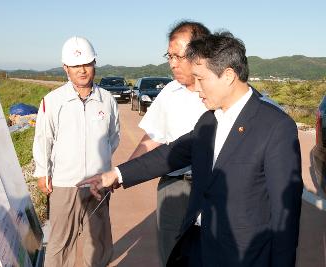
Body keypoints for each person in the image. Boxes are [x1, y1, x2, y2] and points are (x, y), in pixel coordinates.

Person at [78, 32, 303, 267]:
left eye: (201, 79)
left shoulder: (275, 127)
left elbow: (284, 216)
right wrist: (116, 174)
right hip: (197, 247)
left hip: (241, 255)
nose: (196, 89)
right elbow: (170, 153)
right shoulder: (209, 121)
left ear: (228, 75)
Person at [33, 36, 120, 267]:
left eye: (87, 64)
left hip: (98, 182)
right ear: (66, 68)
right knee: (60, 242)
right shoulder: (53, 101)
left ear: (94, 64)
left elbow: (113, 137)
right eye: (75, 66)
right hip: (64, 182)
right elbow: (44, 139)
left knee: (99, 239)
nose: (82, 70)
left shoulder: (107, 100)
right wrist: (43, 173)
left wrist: (102, 167)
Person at [128, 21, 209, 265]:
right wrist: (125, 171)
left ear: (200, 53)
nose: (172, 63)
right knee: (171, 253)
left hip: (211, 186)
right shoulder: (169, 92)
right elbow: (153, 137)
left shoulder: (220, 92)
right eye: (169, 56)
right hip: (173, 185)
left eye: (178, 56)